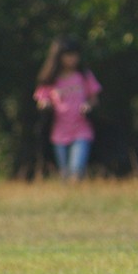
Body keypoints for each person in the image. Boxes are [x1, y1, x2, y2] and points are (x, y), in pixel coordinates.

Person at [34, 36, 102, 182]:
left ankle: (77, 192)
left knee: (76, 169)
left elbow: (94, 98)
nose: (72, 59)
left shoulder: (84, 76)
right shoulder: (50, 79)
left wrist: (88, 105)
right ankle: (70, 201)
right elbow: (41, 99)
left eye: (75, 55)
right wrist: (46, 104)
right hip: (59, 131)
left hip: (82, 129)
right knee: (65, 173)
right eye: (68, 55)